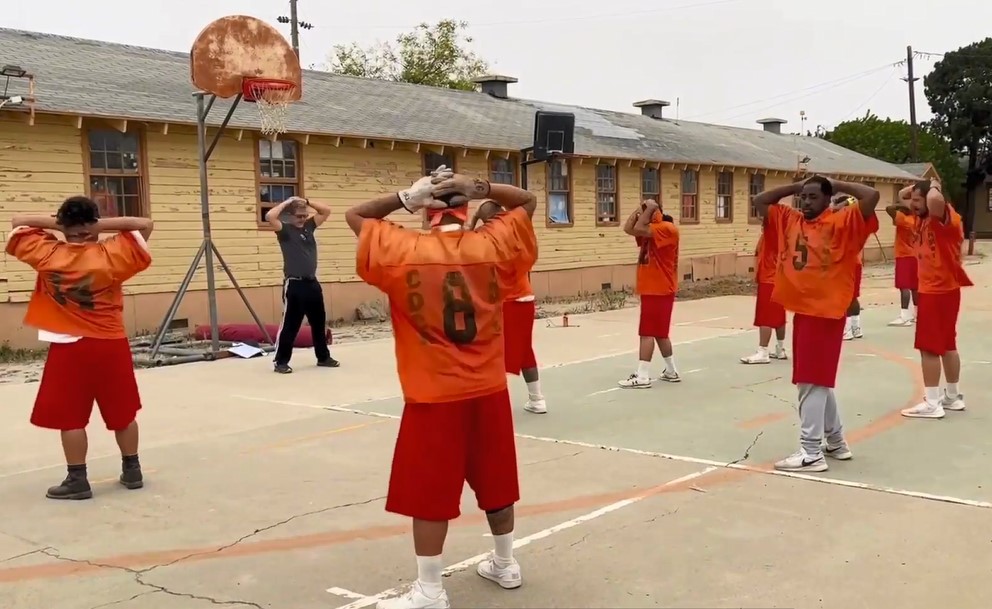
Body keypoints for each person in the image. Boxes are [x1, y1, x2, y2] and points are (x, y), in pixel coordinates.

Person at [344, 166, 538, 609]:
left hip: (433, 391)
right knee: (497, 479)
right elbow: (525, 203)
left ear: (426, 212)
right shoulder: (491, 243)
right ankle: (505, 563)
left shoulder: (405, 249)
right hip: (488, 386)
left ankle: (430, 590)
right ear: (467, 210)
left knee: (429, 491)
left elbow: (357, 216)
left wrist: (405, 197)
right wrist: (482, 187)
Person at [5, 196, 153, 500]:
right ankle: (132, 468)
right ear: (95, 225)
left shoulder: (47, 253)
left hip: (69, 345)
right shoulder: (112, 254)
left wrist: (65, 226)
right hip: (110, 342)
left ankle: (77, 479)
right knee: (122, 410)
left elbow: (17, 222)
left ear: (63, 225)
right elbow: (144, 225)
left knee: (71, 416)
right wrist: (93, 226)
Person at [752, 176, 880, 472]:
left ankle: (811, 451)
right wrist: (796, 187)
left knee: (810, 382)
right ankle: (835, 441)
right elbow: (761, 201)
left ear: (826, 199)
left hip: (826, 311)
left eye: (813, 197)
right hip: (804, 310)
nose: (807, 202)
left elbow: (872, 196)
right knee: (815, 379)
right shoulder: (790, 219)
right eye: (804, 197)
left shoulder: (842, 221)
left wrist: (838, 183)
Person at [897, 179, 973, 419]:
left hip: (936, 291)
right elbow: (901, 195)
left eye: (918, 200)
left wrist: (934, 185)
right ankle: (952, 396)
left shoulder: (944, 218)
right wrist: (917, 188)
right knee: (948, 345)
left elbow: (934, 200)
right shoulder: (922, 218)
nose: (913, 204)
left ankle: (932, 402)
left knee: (929, 347)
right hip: (945, 290)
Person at [470, 200, 547, 414]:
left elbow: (461, 243)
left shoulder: (483, 238)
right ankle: (537, 398)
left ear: (485, 221)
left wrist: (475, 218)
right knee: (523, 349)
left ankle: (491, 402)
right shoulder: (516, 232)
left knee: (492, 351)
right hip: (524, 298)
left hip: (503, 302)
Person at [265, 196, 339, 373]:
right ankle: (281, 362)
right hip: (295, 284)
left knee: (319, 322)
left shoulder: (309, 227)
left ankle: (323, 357)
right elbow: (270, 216)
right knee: (291, 324)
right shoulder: (285, 231)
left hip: (312, 283)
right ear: (290, 216)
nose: (302, 219)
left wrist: (307, 201)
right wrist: (288, 201)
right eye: (299, 216)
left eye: (304, 215)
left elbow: (326, 211)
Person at [618, 199, 680, 388]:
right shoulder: (650, 229)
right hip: (655, 288)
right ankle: (671, 370)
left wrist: (651, 207)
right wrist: (640, 209)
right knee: (661, 334)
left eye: (646, 212)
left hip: (658, 288)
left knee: (647, 333)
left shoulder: (666, 228)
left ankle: (642, 375)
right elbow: (629, 228)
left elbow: (639, 227)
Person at [740, 213, 788, 364]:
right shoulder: (780, 236)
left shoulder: (773, 235)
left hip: (770, 279)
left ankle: (763, 351)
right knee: (779, 315)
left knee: (765, 316)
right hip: (779, 278)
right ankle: (780, 349)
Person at [831, 195, 873, 341]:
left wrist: (845, 202)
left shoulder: (845, 221)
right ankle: (855, 327)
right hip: (855, 263)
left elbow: (833, 209)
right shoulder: (854, 220)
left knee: (845, 296)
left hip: (846, 264)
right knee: (853, 296)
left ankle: (847, 329)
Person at [885, 200, 919, 326]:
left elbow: (889, 208)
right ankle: (917, 314)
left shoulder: (904, 220)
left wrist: (901, 205)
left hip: (904, 255)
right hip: (916, 255)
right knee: (915, 287)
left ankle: (905, 316)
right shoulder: (917, 220)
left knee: (904, 286)